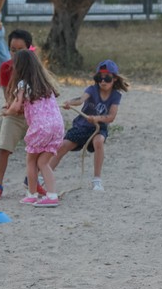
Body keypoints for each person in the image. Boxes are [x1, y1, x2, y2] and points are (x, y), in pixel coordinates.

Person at [50, 60, 130, 192]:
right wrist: (70, 102)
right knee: (63, 146)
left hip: (99, 128)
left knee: (99, 141)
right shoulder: (92, 90)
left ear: (115, 79)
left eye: (107, 78)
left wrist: (97, 118)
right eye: (99, 78)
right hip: (82, 126)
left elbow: (111, 117)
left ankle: (97, 180)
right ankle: (43, 176)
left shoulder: (116, 96)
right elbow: (80, 100)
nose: (103, 81)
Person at [0, 29, 45, 201]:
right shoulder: (6, 67)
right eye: (13, 50)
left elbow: (41, 91)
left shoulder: (36, 68)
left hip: (34, 114)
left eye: (20, 50)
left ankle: (32, 180)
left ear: (29, 49)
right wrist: (10, 104)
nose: (16, 54)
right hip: (14, 113)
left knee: (42, 148)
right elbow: (7, 93)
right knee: (3, 147)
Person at [6, 49, 64, 207]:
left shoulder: (23, 84)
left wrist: (7, 112)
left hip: (41, 127)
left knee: (31, 160)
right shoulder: (45, 84)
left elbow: (16, 106)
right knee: (43, 163)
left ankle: (32, 194)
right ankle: (52, 195)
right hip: (57, 127)